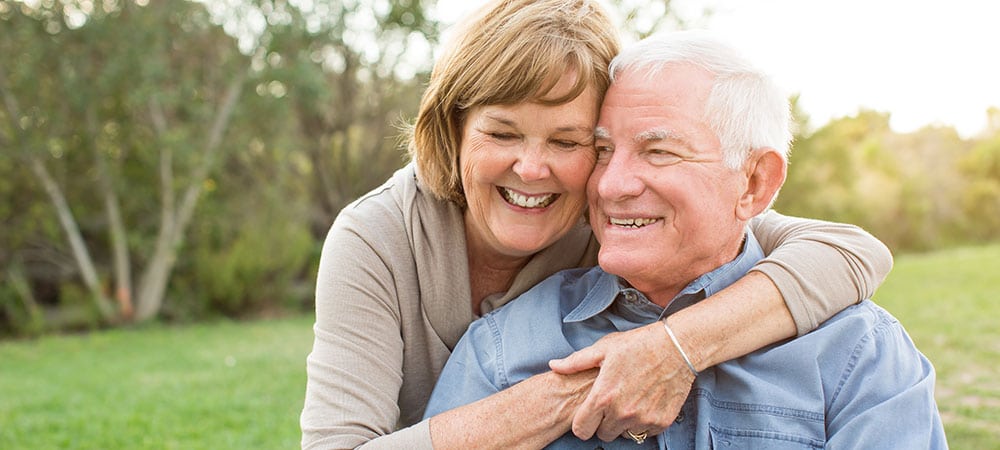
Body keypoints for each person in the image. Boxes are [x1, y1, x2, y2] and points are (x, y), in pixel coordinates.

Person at [299, 0, 895, 448]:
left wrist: (673, 347)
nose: (532, 168)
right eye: (501, 133)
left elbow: (849, 252)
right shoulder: (377, 238)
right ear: (452, 131)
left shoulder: (617, 217)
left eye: (571, 141)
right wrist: (576, 390)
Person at [424, 30, 947, 448]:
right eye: (602, 151)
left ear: (754, 183)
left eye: (659, 152)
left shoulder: (857, 353)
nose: (610, 185)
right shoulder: (503, 347)